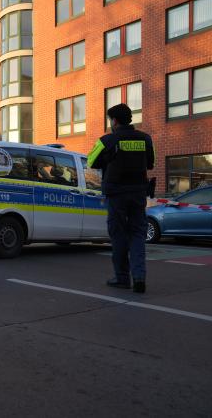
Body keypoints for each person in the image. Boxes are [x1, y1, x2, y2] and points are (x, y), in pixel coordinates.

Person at [87, 103, 155, 294]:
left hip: (116, 195)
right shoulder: (146, 139)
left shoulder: (107, 140)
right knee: (138, 234)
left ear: (114, 121)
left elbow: (91, 161)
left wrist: (110, 158)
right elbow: (151, 164)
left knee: (118, 235)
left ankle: (122, 278)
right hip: (138, 194)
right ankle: (140, 277)